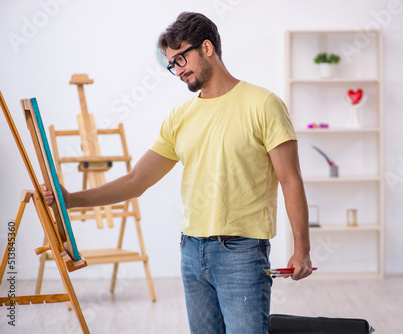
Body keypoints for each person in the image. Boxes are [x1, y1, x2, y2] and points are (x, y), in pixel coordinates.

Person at [43, 11, 312, 334]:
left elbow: (290, 180)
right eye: (172, 64)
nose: (178, 71)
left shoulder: (263, 104)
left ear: (208, 48)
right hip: (191, 252)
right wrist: (70, 200)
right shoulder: (180, 117)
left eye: (181, 59)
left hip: (241, 254)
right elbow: (136, 180)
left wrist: (302, 249)